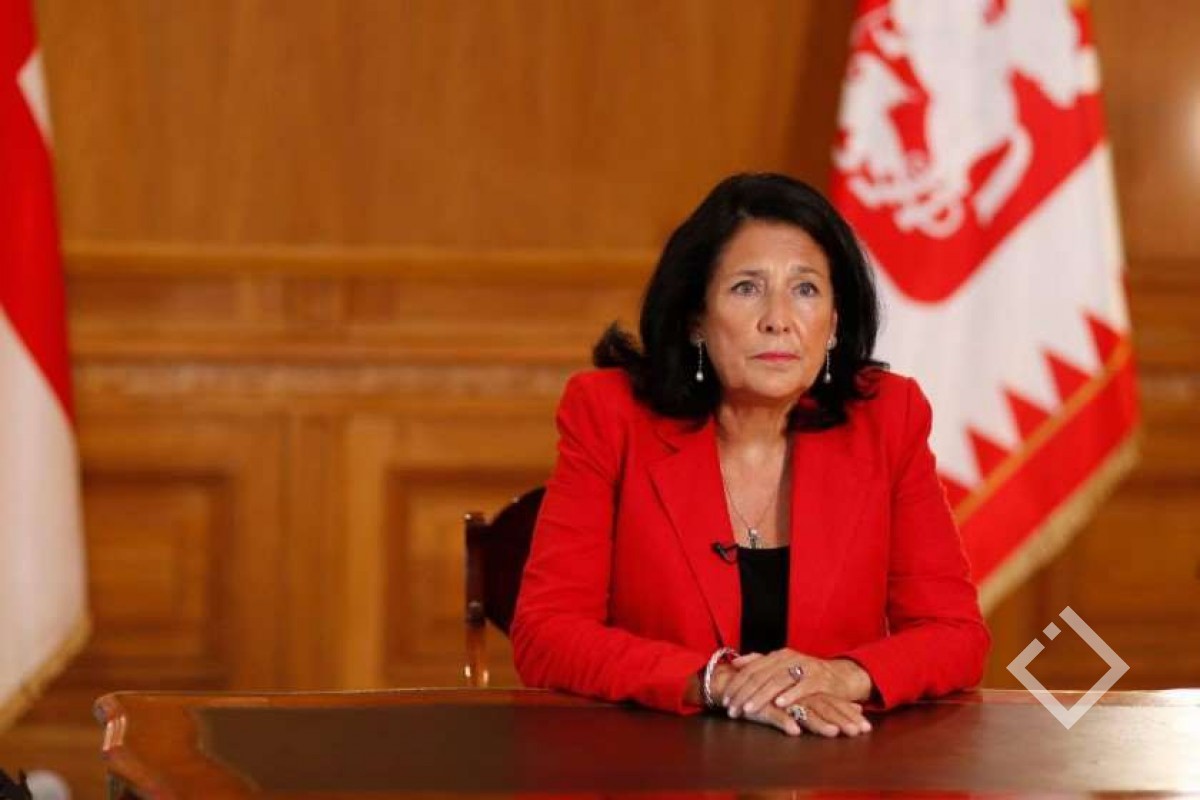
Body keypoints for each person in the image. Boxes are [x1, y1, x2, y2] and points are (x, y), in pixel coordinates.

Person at [511, 173, 990, 737]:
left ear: (834, 323)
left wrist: (839, 676)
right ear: (696, 319)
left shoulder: (887, 419)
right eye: (746, 288)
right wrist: (715, 682)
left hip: (833, 764)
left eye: (805, 289)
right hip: (656, 762)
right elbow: (546, 634)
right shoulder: (610, 416)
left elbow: (954, 636)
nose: (778, 319)